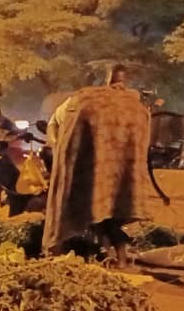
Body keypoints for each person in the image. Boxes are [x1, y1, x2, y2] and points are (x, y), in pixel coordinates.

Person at [43, 63, 149, 267]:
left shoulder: (83, 99)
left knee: (84, 205)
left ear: (107, 79)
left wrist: (61, 155)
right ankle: (119, 257)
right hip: (120, 172)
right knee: (112, 212)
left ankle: (60, 249)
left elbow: (56, 131)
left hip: (90, 168)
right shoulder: (135, 105)